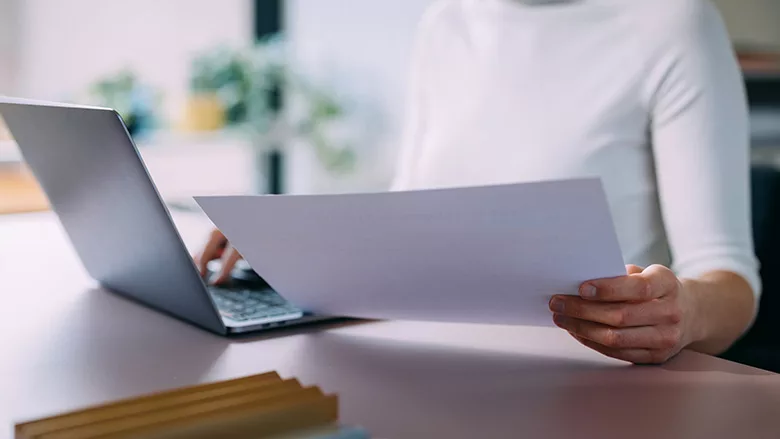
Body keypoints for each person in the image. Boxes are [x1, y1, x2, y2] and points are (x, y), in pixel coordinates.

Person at [196, 0, 760, 365]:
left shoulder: (673, 23)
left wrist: (683, 310)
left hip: (590, 379)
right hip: (426, 363)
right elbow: (412, 221)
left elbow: (732, 284)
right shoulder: (446, 21)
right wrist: (295, 240)